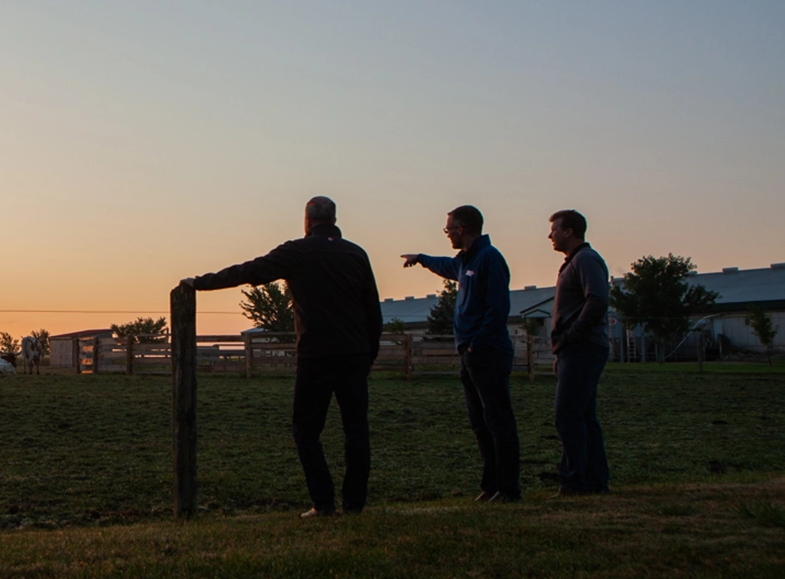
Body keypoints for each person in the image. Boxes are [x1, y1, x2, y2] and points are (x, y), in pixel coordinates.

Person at [183, 196, 382, 518]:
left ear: (307, 221)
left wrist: (201, 283)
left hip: (317, 353)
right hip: (354, 352)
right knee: (356, 429)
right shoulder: (356, 253)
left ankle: (324, 502)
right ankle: (355, 503)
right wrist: (369, 353)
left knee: (306, 430)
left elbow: (249, 271)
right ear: (334, 219)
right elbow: (373, 307)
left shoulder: (298, 252)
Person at [401, 205, 521, 502]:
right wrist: (422, 260)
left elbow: (497, 309)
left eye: (448, 229)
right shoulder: (467, 260)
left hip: (487, 353)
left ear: (462, 228)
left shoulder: (489, 259)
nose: (447, 235)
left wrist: (475, 344)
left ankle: (509, 488)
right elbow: (447, 266)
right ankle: (491, 484)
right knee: (480, 423)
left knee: (498, 421)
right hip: (471, 355)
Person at [547, 209, 610, 496]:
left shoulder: (585, 259)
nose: (551, 235)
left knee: (567, 414)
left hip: (583, 348)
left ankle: (574, 481)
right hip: (575, 350)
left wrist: (571, 337)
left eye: (554, 229)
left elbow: (597, 300)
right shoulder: (575, 262)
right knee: (583, 416)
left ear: (569, 231)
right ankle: (594, 480)